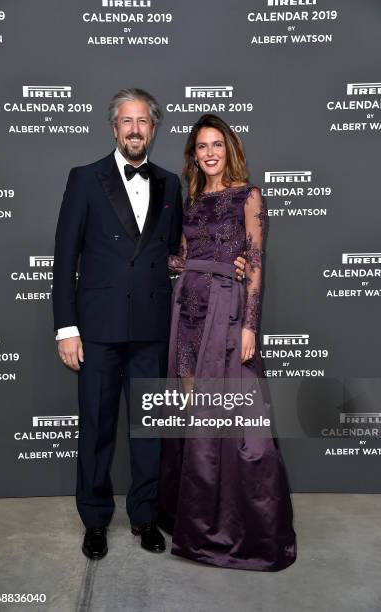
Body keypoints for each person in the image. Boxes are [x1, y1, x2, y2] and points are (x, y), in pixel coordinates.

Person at [52, 91, 246, 560]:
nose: (135, 129)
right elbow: (64, 260)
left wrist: (228, 262)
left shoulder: (168, 184)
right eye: (126, 121)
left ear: (153, 130)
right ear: (114, 128)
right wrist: (66, 328)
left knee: (150, 427)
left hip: (153, 327)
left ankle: (144, 515)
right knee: (96, 427)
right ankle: (95, 520)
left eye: (143, 122)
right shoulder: (84, 179)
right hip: (96, 329)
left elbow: (181, 252)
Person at [159, 114, 297, 571]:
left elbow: (255, 261)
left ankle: (246, 530)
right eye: (202, 147)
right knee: (194, 408)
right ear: (194, 155)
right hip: (188, 311)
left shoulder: (248, 196)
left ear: (230, 149)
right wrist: (174, 266)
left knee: (240, 421)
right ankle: (196, 523)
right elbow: (183, 255)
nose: (210, 153)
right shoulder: (193, 200)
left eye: (217, 144)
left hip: (228, 311)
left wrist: (250, 326)